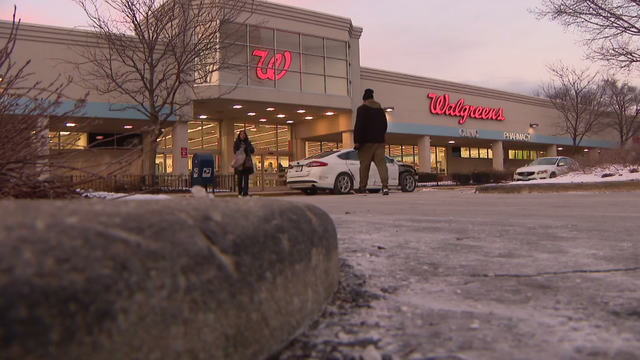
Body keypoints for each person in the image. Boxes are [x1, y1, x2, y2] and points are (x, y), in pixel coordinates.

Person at [354, 88, 389, 195]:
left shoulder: (362, 109)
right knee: (382, 164)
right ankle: (385, 186)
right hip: (379, 142)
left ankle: (362, 187)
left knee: (364, 166)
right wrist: (381, 136)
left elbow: (358, 126)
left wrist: (357, 141)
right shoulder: (380, 110)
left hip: (366, 143)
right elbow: (385, 125)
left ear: (364, 99)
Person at [233, 130, 255, 197]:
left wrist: (246, 148)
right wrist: (241, 150)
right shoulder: (236, 143)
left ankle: (245, 192)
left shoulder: (248, 142)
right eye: (241, 134)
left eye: (243, 134)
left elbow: (252, 150)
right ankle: (240, 192)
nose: (242, 136)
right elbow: (235, 151)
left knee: (246, 179)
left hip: (246, 164)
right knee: (239, 179)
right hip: (239, 163)